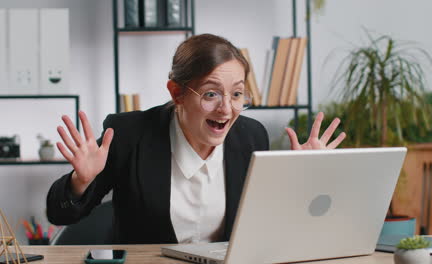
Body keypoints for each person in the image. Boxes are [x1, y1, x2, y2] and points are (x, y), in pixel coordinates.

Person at [46, 34, 346, 244]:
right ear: (177, 93)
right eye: (211, 94)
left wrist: (304, 177)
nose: (227, 109)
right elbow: (60, 213)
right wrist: (80, 181)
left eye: (237, 94)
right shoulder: (130, 135)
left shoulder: (251, 136)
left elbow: (269, 228)